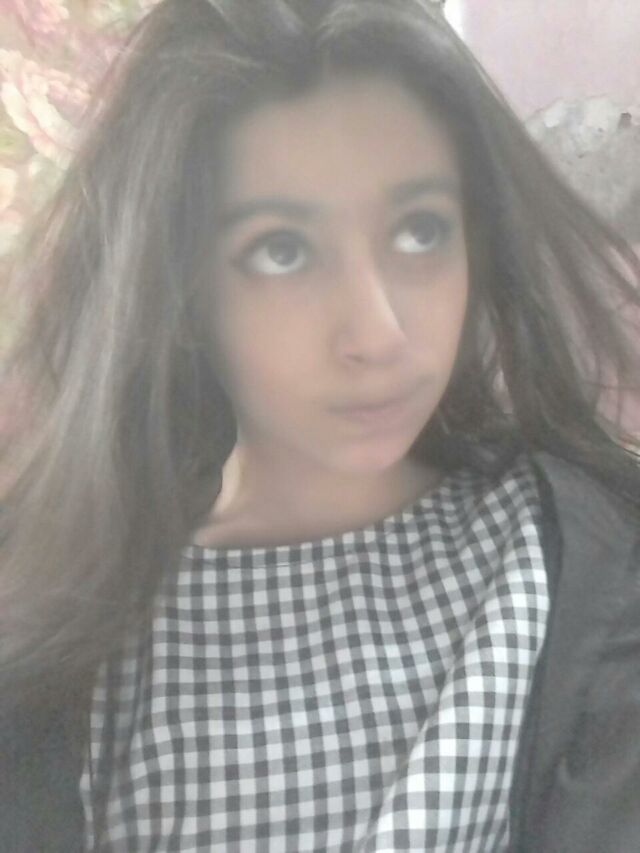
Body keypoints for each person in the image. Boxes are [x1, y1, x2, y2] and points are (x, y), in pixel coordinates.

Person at [1, 1, 639, 850]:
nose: (378, 332)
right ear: (182, 295)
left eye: (420, 231)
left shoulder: (580, 566)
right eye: (283, 250)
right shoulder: (64, 614)